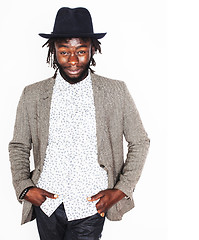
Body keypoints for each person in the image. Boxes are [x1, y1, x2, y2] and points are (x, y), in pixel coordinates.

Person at [8, 7, 150, 240]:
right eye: (64, 51)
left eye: (81, 51)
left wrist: (121, 190)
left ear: (93, 49)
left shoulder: (115, 91)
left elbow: (140, 142)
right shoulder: (33, 95)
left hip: (90, 207)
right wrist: (24, 187)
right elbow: (19, 146)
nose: (73, 60)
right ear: (53, 49)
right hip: (46, 204)